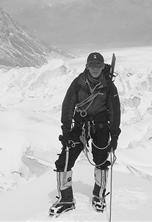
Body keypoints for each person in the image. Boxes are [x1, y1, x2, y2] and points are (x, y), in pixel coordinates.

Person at [49, 52, 121, 217]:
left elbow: (115, 112)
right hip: (81, 125)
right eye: (92, 66)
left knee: (101, 160)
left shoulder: (108, 86)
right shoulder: (78, 83)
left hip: (101, 126)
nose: (95, 69)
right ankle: (66, 200)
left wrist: (115, 135)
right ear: (87, 66)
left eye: (98, 66)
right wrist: (66, 131)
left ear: (103, 67)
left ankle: (99, 195)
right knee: (64, 161)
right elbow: (68, 106)